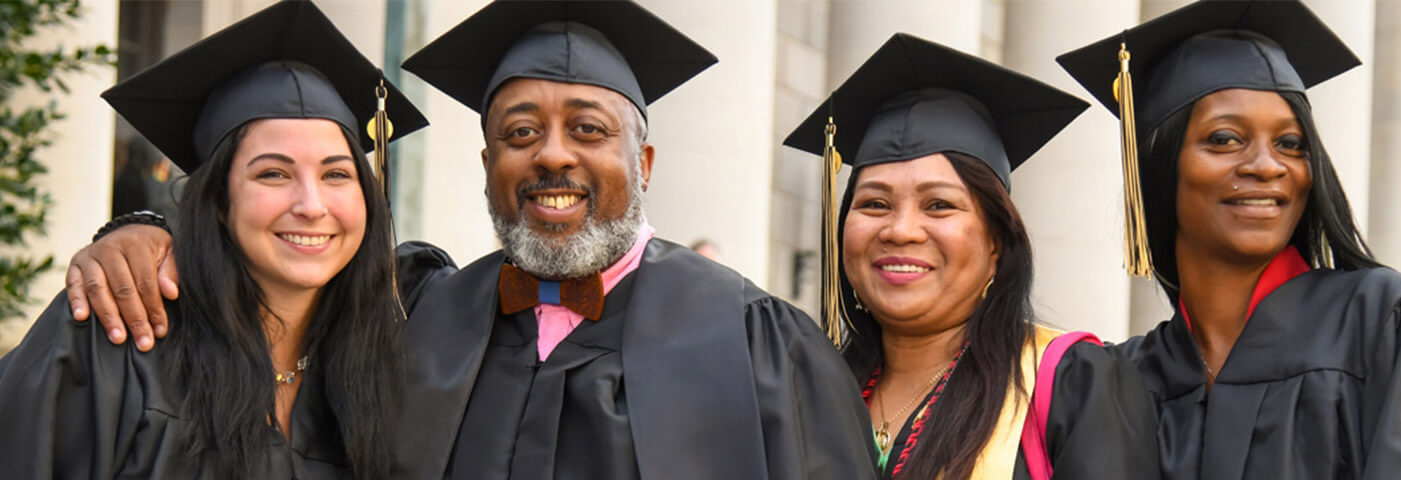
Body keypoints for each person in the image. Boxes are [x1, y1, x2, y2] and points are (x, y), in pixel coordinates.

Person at [62, 1, 877, 479]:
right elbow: (276, 276)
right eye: (521, 132)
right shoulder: (418, 310)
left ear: (646, 162)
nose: (552, 153)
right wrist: (144, 230)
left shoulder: (764, 349)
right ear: (489, 164)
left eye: (587, 129)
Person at [0, 2, 427, 478]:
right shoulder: (111, 342)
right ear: (219, 202)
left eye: (336, 174)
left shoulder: (397, 341)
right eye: (272, 173)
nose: (312, 204)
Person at [1058, 0, 1401, 478]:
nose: (1267, 165)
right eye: (1224, 139)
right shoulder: (1122, 381)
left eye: (1291, 144)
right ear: (1160, 168)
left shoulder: (1386, 324)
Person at [785, 33, 1160, 480]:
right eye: (874, 204)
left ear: (997, 241)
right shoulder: (804, 391)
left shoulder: (1070, 385)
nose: (900, 230)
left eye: (938, 205)